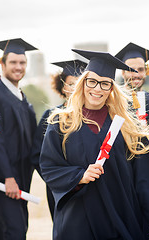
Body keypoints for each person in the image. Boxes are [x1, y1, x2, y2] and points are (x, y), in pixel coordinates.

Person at [40, 49, 149, 240]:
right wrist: (79, 176)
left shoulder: (127, 125)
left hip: (120, 216)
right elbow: (49, 167)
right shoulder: (61, 123)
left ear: (112, 88)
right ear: (83, 83)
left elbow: (147, 174)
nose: (97, 89)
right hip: (79, 220)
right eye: (92, 81)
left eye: (105, 84)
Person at [0, 38, 38, 240]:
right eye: (13, 62)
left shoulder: (22, 98)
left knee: (20, 227)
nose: (18, 67)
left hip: (21, 177)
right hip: (1, 181)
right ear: (2, 65)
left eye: (22, 63)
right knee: (12, 230)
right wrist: (7, 177)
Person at [30, 59, 87, 219]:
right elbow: (37, 155)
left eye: (79, 83)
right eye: (70, 83)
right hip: (61, 189)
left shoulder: (93, 117)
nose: (75, 88)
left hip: (90, 187)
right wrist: (60, 179)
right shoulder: (52, 116)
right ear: (62, 86)